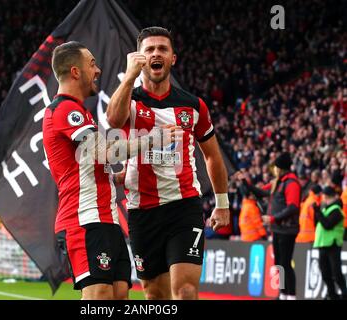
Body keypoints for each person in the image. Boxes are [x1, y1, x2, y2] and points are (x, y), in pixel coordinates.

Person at [42, 41, 179, 300]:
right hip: (83, 219)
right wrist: (154, 139)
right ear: (75, 72)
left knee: (119, 296)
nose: (98, 70)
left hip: (107, 221)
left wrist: (118, 175)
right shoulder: (64, 110)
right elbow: (105, 152)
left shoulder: (80, 113)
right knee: (100, 298)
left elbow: (91, 164)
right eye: (92, 63)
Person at [106, 27, 230, 300]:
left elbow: (212, 155)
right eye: (149, 50)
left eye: (162, 49)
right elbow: (113, 121)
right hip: (142, 210)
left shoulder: (193, 106)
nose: (156, 54)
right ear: (140, 57)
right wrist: (129, 76)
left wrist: (222, 204)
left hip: (183, 206)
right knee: (154, 295)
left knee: (185, 291)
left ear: (173, 58)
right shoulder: (130, 99)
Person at [239, 152, 301, 300]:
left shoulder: (292, 183)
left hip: (287, 229)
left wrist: (273, 218)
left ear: (281, 168)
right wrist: (246, 183)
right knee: (279, 263)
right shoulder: (277, 182)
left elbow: (293, 207)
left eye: (276, 167)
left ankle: (291, 295)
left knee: (285, 262)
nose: (274, 170)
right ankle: (283, 293)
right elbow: (261, 192)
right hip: (278, 229)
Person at [313, 186, 347, 300]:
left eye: (326, 197)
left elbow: (327, 225)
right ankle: (332, 294)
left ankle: (344, 293)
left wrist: (318, 212)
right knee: (325, 273)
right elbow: (317, 223)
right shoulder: (325, 209)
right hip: (323, 244)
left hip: (333, 244)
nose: (324, 200)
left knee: (336, 273)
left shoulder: (337, 210)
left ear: (331, 197)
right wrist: (317, 212)